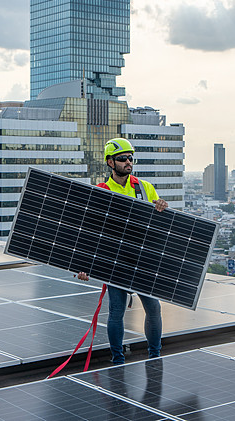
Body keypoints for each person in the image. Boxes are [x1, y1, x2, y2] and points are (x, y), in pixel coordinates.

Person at [76, 137, 168, 365]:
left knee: (153, 308)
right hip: (115, 260)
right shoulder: (101, 191)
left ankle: (154, 356)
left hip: (142, 258)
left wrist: (162, 208)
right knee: (116, 311)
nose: (128, 162)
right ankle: (118, 360)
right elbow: (89, 232)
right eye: (122, 159)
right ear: (110, 162)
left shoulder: (144, 188)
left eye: (130, 158)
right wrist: (83, 265)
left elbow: (159, 224)